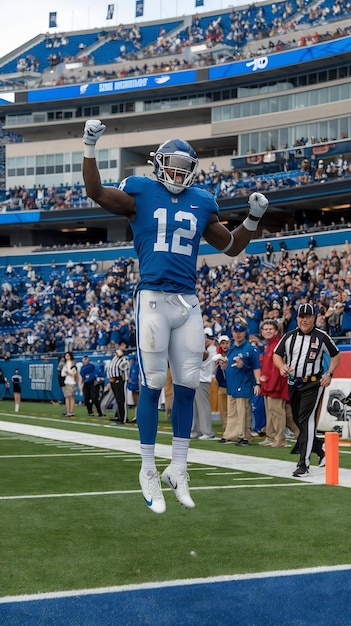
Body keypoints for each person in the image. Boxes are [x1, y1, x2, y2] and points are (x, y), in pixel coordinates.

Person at [82, 119, 269, 514]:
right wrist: (89, 148)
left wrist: (251, 220)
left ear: (193, 169)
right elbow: (96, 191)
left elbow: (232, 247)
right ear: (158, 164)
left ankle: (178, 467)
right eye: (172, 164)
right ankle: (148, 468)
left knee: (186, 384)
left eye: (185, 166)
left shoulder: (202, 201)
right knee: (151, 384)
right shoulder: (141, 191)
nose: (177, 172)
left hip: (188, 301)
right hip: (152, 297)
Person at [273, 303, 341, 477]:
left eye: (307, 317)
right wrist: (281, 367)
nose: (304, 320)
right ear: (297, 318)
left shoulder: (321, 337)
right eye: (301, 317)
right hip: (293, 383)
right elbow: (277, 354)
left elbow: (336, 355)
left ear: (313, 318)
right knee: (298, 419)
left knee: (306, 420)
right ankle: (321, 451)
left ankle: (304, 464)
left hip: (313, 383)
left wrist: (329, 373)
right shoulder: (289, 336)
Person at [219, 322, 261, 445]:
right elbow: (229, 366)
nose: (238, 334)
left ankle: (245, 436)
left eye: (240, 331)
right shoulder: (231, 348)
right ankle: (230, 434)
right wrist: (224, 365)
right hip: (232, 384)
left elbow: (256, 367)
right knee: (232, 411)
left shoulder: (250, 348)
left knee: (243, 411)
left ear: (245, 332)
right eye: (236, 332)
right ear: (232, 332)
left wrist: (258, 383)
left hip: (244, 384)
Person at [259, 320, 291, 448]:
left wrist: (272, 384)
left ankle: (280, 439)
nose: (267, 331)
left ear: (276, 331)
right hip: (268, 385)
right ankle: (271, 436)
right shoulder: (268, 346)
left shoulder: (278, 345)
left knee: (278, 413)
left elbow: (278, 368)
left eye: (270, 329)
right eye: (265, 329)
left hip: (276, 385)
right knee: (270, 412)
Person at [191, 327, 217, 440]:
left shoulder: (211, 350)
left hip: (203, 380)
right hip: (197, 380)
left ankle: (207, 431)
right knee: (195, 408)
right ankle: (195, 430)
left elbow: (201, 357)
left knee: (202, 407)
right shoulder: (206, 349)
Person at [107, 342, 129, 424]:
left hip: (118, 380)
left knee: (121, 400)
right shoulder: (114, 358)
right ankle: (119, 416)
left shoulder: (123, 359)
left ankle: (123, 418)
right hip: (112, 380)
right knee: (117, 400)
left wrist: (123, 379)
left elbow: (125, 368)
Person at [214, 334, 231, 436]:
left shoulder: (232, 354)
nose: (225, 345)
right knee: (223, 411)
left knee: (231, 411)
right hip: (221, 386)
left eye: (226, 343)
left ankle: (231, 430)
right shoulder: (217, 356)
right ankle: (225, 430)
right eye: (223, 343)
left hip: (230, 386)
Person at [61, 351, 77, 417]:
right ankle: (70, 411)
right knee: (70, 397)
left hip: (69, 382)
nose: (66, 357)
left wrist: (67, 372)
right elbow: (62, 374)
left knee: (68, 397)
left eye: (68, 355)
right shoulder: (67, 363)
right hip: (69, 381)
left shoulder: (70, 363)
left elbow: (73, 373)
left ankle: (69, 411)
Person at [126, 353, 140, 422]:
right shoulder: (132, 366)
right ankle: (136, 416)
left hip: (137, 387)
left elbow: (136, 377)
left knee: (137, 402)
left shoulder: (136, 366)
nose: (130, 361)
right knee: (135, 402)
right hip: (134, 387)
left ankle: (137, 416)